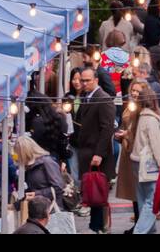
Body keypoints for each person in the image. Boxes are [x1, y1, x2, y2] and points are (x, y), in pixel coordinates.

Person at [73, 67, 116, 233]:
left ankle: (99, 226)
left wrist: (99, 153)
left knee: (98, 192)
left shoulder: (103, 99)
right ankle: (96, 224)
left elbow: (107, 129)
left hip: (97, 154)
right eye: (82, 80)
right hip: (86, 151)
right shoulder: (86, 97)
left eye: (87, 80)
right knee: (91, 192)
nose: (83, 83)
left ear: (96, 80)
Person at [129, 85, 160, 234]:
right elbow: (157, 145)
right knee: (152, 200)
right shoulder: (151, 120)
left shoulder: (140, 117)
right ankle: (140, 231)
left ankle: (149, 230)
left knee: (142, 199)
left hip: (136, 160)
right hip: (149, 164)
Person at [113, 79, 144, 216]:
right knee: (133, 190)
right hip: (127, 149)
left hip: (137, 151)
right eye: (133, 90)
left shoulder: (143, 108)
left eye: (138, 91)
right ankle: (138, 220)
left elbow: (142, 129)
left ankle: (141, 222)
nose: (135, 93)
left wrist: (127, 133)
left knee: (138, 189)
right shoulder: (130, 105)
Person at [15, 135, 65, 207]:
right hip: (39, 208)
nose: (18, 159)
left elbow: (59, 187)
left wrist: (37, 194)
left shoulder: (47, 162)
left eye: (19, 155)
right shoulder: (30, 166)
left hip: (52, 208)